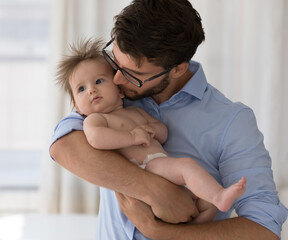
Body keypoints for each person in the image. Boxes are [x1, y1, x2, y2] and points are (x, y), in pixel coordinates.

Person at [50, 0, 288, 239]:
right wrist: (153, 190)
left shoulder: (232, 122)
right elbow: (64, 146)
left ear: (178, 69)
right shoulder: (108, 93)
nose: (118, 79)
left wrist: (162, 232)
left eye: (134, 74)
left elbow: (263, 230)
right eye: (115, 62)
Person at [55, 38, 246, 224]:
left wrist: (153, 130)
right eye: (81, 88)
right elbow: (96, 139)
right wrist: (131, 137)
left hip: (160, 165)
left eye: (99, 81)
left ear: (119, 89)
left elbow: (163, 133)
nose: (91, 91)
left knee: (207, 205)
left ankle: (195, 224)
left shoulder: (136, 111)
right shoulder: (96, 120)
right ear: (76, 107)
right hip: (144, 167)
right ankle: (219, 195)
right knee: (187, 165)